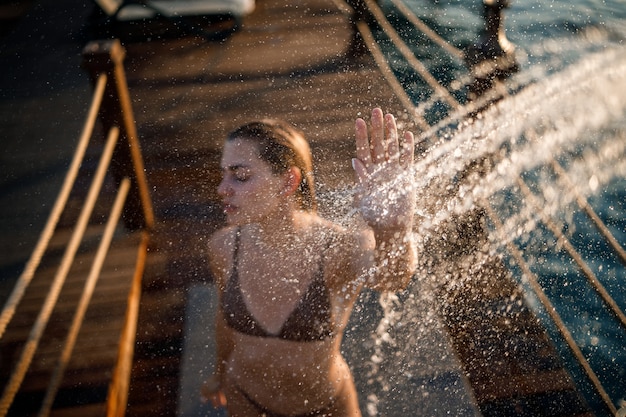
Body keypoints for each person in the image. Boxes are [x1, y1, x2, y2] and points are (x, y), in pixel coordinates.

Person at [201, 108, 416, 416]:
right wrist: (219, 374)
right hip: (245, 400)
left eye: (240, 175)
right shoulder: (223, 246)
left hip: (325, 407)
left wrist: (393, 231)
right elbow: (224, 321)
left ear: (288, 182)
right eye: (224, 174)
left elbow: (394, 278)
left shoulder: (337, 247)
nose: (223, 188)